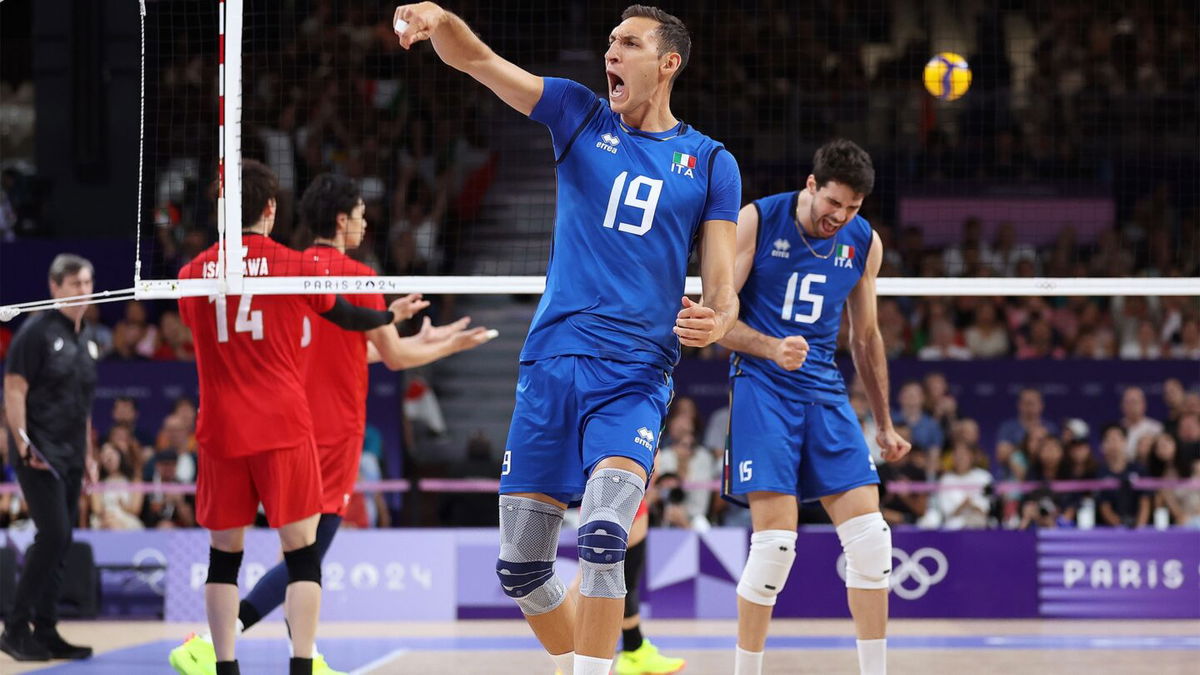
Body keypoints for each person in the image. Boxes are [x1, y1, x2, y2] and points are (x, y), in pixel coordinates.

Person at [393, 4, 741, 673]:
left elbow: (722, 285)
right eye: (610, 41)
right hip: (551, 363)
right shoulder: (579, 113)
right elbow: (479, 60)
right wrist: (439, 18)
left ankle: (593, 666)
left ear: (667, 64)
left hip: (634, 374)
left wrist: (719, 320)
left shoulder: (709, 162)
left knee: (607, 531)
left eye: (630, 44)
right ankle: (587, 656)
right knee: (522, 567)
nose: (612, 52)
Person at [169, 172, 493, 675]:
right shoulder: (329, 275)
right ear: (340, 220)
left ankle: (242, 653)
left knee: (230, 554)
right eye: (362, 217)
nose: (365, 226)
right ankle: (255, 651)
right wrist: (444, 341)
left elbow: (332, 348)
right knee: (306, 554)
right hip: (309, 430)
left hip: (234, 423)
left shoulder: (215, 272)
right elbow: (390, 353)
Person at [718, 139, 911, 675]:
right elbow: (717, 322)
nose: (841, 217)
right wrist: (770, 347)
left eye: (853, 208)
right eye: (835, 203)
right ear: (812, 185)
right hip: (760, 381)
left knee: (873, 542)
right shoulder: (758, 219)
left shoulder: (863, 241)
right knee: (776, 545)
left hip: (823, 386)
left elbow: (867, 339)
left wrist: (885, 424)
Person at [1, 254, 100, 662]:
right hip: (39, 453)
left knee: (62, 542)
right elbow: (14, 389)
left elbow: (84, 405)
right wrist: (23, 444)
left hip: (73, 454)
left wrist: (90, 455)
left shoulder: (87, 337)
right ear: (54, 287)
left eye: (88, 282)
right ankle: (14, 628)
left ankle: (47, 630)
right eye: (75, 283)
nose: (84, 291)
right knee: (54, 535)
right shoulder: (36, 331)